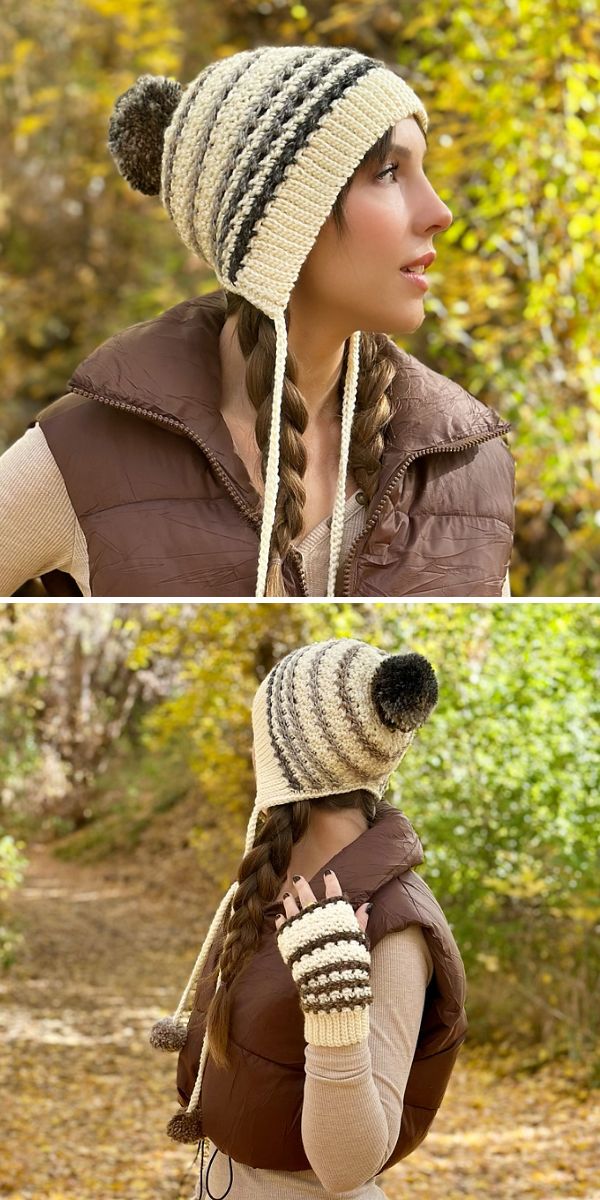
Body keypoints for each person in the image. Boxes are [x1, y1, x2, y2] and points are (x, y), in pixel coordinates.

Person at [0, 45, 514, 598]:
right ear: (283, 222)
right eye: (389, 172)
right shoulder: (88, 452)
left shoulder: (468, 464)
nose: (440, 213)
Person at [149, 638, 468, 1199]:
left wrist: (334, 1016)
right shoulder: (271, 888)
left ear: (279, 759)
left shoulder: (396, 923)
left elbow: (349, 1167)